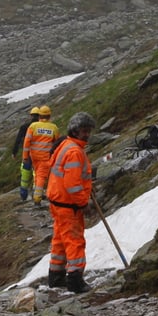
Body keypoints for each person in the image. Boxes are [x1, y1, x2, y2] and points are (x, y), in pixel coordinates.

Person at [46, 111, 96, 293]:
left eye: (88, 130)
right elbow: (72, 184)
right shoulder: (74, 151)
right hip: (68, 205)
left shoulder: (65, 145)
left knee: (59, 239)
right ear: (75, 130)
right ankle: (75, 281)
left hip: (57, 202)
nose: (87, 134)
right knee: (74, 241)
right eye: (84, 130)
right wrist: (83, 202)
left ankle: (56, 276)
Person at [21, 105, 59, 205]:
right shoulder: (53, 128)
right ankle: (37, 198)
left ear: (39, 116)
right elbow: (57, 143)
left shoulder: (33, 127)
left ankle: (38, 194)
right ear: (49, 116)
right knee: (42, 177)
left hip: (34, 157)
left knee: (38, 175)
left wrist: (25, 157)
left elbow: (26, 142)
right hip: (46, 157)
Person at [13, 106, 40, 201]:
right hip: (39, 155)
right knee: (37, 174)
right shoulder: (42, 127)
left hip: (27, 155)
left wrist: (14, 152)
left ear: (31, 115)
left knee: (25, 175)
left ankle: (23, 195)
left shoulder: (24, 127)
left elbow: (18, 140)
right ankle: (36, 195)